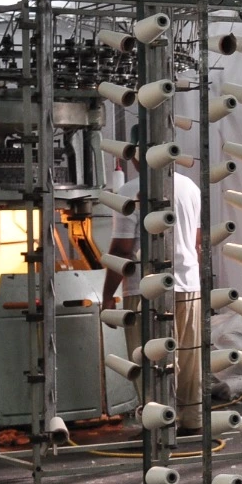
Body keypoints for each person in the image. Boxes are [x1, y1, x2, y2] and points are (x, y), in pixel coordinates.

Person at [101, 161, 204, 434]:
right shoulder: (190, 187)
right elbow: (197, 242)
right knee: (188, 355)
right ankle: (192, 419)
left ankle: (160, 424)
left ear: (136, 156)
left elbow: (122, 250)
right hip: (189, 286)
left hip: (144, 289)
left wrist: (108, 295)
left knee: (149, 359)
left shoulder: (129, 191)